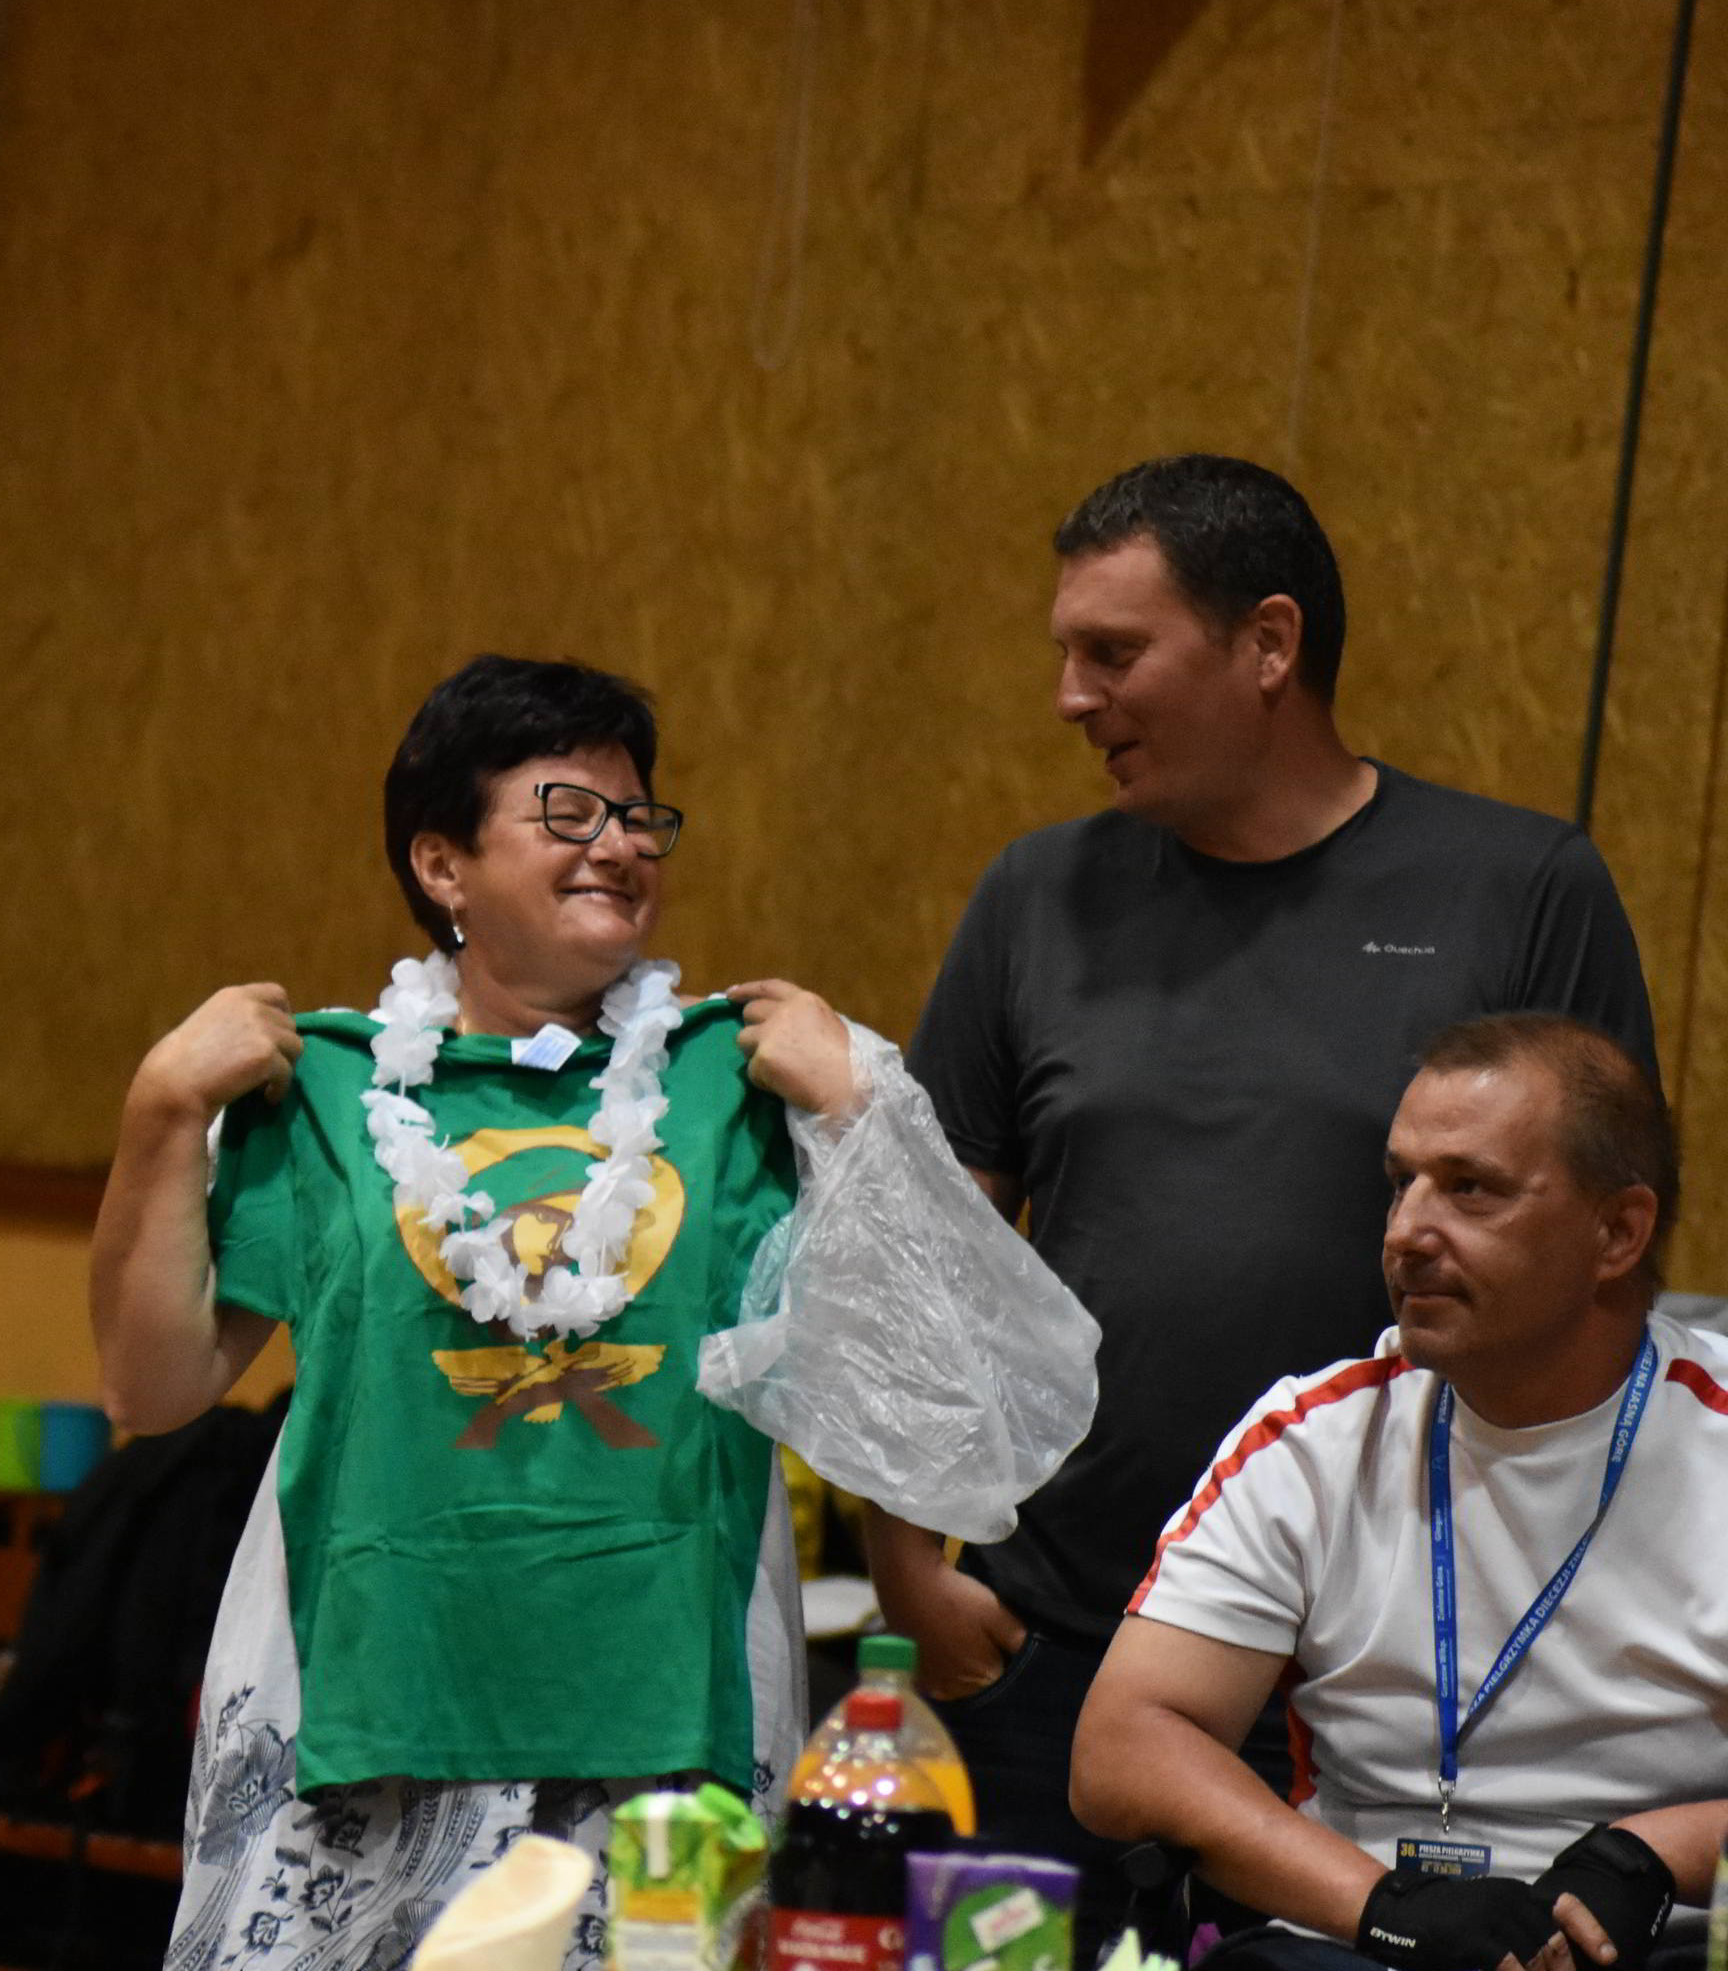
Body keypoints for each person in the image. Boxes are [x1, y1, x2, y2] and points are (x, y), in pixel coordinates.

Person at [104, 656, 1093, 1971]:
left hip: (665, 1735)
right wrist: (163, 1111)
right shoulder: (327, 1089)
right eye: (568, 812)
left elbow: (958, 1394)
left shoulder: (750, 1085)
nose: (620, 845)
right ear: (443, 864)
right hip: (356, 1714)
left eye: (639, 817)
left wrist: (863, 1118)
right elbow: (154, 1386)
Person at [882, 455, 1658, 1884]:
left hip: (1395, 1661)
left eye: (1113, 652)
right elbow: (932, 1245)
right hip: (1058, 1640)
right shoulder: (1036, 895)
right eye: (1065, 654)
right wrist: (905, 1565)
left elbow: (1609, 1258)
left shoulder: (1518, 888)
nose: (1069, 697)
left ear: (1268, 644)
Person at [1074, 1014, 1727, 1971]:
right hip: (1355, 1939)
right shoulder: (1315, 1441)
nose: (1406, 1232)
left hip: (1653, 1945)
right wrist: (1389, 1907)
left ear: (1618, 1231)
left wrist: (1655, 1854)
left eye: (1470, 1188)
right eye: (1401, 1183)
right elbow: (1122, 1751)